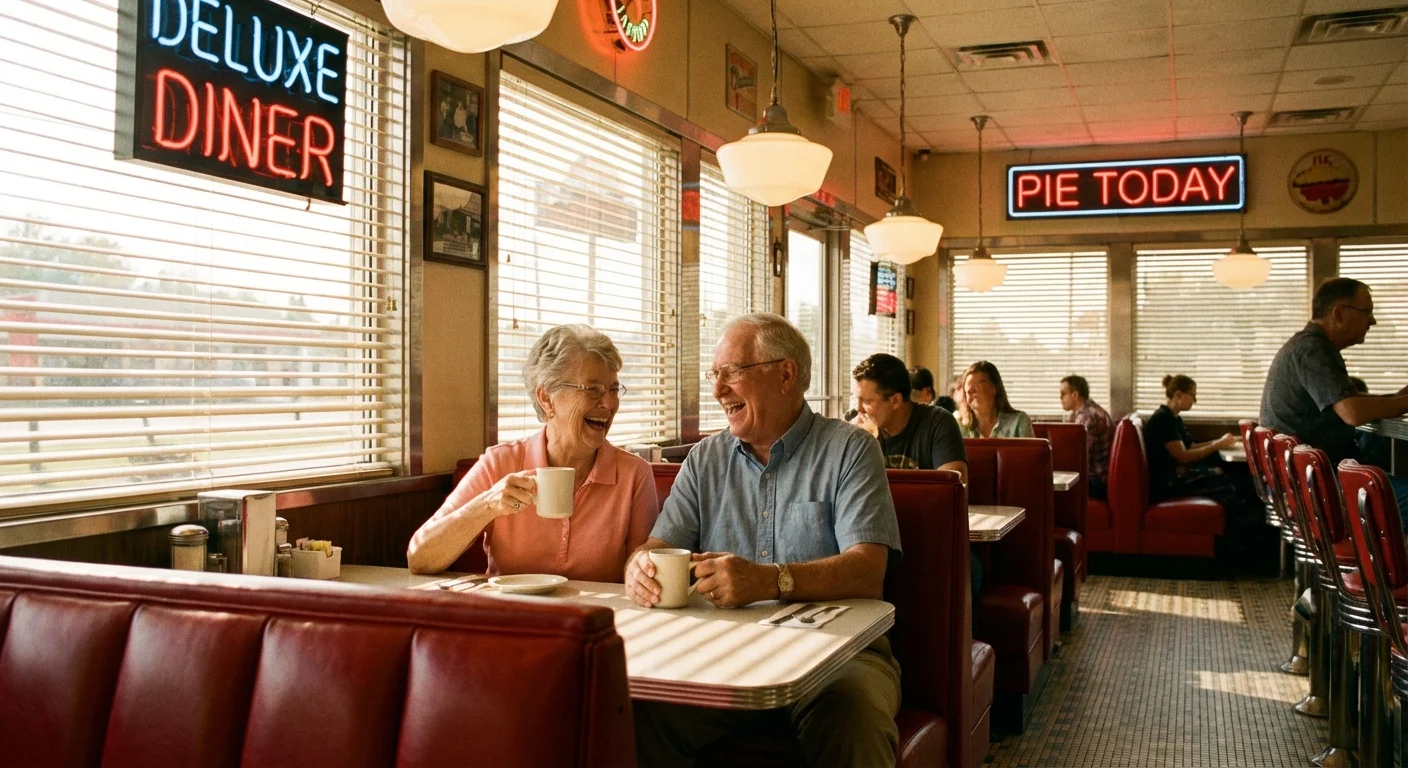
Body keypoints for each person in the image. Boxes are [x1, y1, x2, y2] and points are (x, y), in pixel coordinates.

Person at [626, 313, 902, 768]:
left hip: (837, 658)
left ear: (785, 374)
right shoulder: (704, 459)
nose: (717, 390)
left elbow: (868, 571)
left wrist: (770, 581)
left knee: (851, 715)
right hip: (719, 658)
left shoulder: (850, 450)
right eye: (715, 376)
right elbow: (658, 548)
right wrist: (639, 567)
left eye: (731, 372)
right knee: (634, 715)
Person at [407, 325, 658, 581]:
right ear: (546, 399)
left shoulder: (634, 474)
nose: (609, 403)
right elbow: (420, 557)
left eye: (613, 389)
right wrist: (488, 505)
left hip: (597, 618)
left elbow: (643, 572)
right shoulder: (500, 463)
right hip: (515, 617)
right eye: (592, 389)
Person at [1260, 277, 1408, 514]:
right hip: (1313, 483)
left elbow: (1349, 399)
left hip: (1302, 477)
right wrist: (1403, 403)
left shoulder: (1308, 345)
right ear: (1339, 313)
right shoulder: (1314, 349)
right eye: (1366, 312)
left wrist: (1396, 397)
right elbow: (1352, 412)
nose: (1373, 321)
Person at [852, 355, 967, 479]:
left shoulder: (938, 423)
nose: (858, 409)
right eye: (856, 399)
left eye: (867, 401)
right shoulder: (860, 431)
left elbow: (953, 489)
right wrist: (866, 444)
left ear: (895, 400)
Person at [1059, 374, 1114, 500]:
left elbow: (1079, 456)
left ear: (1075, 395)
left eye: (1063, 393)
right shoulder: (1087, 411)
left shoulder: (1087, 416)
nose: (1060, 398)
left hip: (1096, 480)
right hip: (1097, 477)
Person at [959, 361, 1034, 438]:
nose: (971, 391)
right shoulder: (959, 427)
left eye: (979, 383)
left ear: (995, 387)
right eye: (968, 389)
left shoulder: (1019, 421)